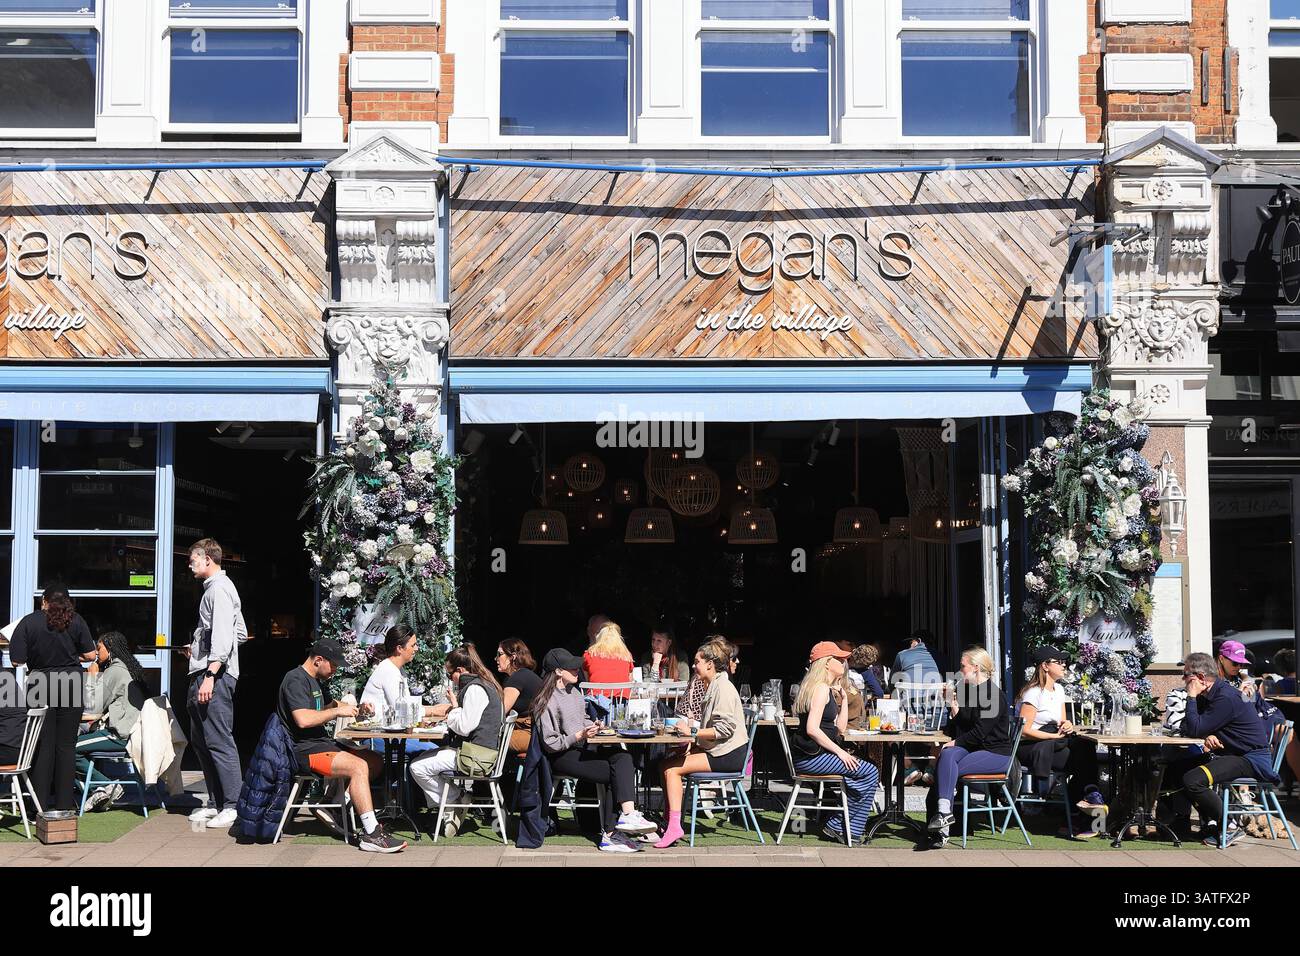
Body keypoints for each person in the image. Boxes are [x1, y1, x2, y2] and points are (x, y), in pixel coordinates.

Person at [277, 638, 405, 853]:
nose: (336, 670)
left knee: (373, 761)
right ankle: (372, 834)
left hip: (320, 744)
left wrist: (357, 707)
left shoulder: (315, 680)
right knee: (358, 767)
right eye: (334, 665)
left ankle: (333, 805)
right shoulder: (295, 679)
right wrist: (337, 712)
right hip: (303, 750)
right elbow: (303, 719)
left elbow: (331, 704)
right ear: (318, 660)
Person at [533, 648, 657, 852]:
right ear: (557, 671)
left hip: (580, 748)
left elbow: (582, 720)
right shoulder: (545, 700)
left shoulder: (574, 692)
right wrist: (579, 735)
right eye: (571, 666)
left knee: (622, 756)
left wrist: (595, 726)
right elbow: (550, 743)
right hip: (560, 756)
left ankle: (627, 815)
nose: (577, 669)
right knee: (613, 772)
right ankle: (610, 835)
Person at [1157, 652, 1280, 847]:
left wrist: (1190, 696)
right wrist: (1207, 735)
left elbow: (1195, 727)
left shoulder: (1225, 697)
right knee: (1176, 769)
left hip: (1249, 758)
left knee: (1192, 779)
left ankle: (1229, 826)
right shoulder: (1211, 694)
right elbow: (1191, 728)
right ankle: (1188, 823)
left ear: (1200, 678)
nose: (1183, 679)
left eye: (1186, 675)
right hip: (1231, 754)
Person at [8, 586, 95, 816]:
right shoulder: (75, 620)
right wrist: (69, 655)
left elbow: (17, 661)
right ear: (67, 601)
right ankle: (65, 805)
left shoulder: (28, 622)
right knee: (67, 746)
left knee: (42, 746)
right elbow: (91, 655)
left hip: (40, 682)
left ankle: (40, 806)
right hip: (71, 682)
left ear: (44, 601)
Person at [655, 640, 750, 848]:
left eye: (697, 661)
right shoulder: (713, 685)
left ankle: (674, 827)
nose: (693, 665)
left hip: (728, 754)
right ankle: (670, 820)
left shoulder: (723, 688)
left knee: (672, 770)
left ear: (710, 664)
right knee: (665, 764)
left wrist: (693, 732)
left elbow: (725, 729)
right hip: (719, 750)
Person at [787, 641, 880, 843]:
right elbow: (812, 728)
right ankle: (840, 826)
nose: (844, 662)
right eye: (839, 659)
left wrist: (844, 698)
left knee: (866, 772)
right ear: (827, 663)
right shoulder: (820, 689)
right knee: (870, 772)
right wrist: (841, 752)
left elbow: (839, 728)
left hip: (814, 754)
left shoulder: (824, 689)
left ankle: (843, 826)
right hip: (811, 757)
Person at [409, 644, 505, 837]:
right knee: (423, 757)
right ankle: (454, 802)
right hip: (479, 751)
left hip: (476, 757)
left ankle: (455, 799)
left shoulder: (475, 689)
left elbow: (464, 726)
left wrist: (453, 710)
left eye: (449, 674)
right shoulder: (484, 683)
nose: (450, 679)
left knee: (416, 767)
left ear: (460, 671)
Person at [184, 538, 248, 831]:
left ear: (208, 558)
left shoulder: (219, 589)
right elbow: (241, 633)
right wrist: (198, 645)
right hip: (207, 670)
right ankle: (218, 802)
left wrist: (211, 671)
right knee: (202, 740)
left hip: (213, 676)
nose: (190, 564)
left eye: (193, 559)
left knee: (218, 739)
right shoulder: (217, 589)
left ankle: (233, 805)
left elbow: (226, 635)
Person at [924, 646, 1014, 849]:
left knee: (946, 767)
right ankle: (945, 814)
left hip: (995, 753)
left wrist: (954, 742)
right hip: (976, 749)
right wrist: (951, 703)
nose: (960, 670)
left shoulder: (991, 694)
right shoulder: (974, 692)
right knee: (948, 756)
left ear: (975, 667)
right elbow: (964, 724)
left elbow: (979, 733)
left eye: (962, 666)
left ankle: (941, 827)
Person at [1016, 645, 1104, 832]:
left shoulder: (1059, 690)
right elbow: (1023, 730)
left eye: (1064, 662)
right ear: (1045, 666)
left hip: (1054, 741)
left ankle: (1086, 800)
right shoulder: (1033, 693)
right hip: (1033, 746)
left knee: (1085, 747)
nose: (1064, 665)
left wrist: (1068, 725)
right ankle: (1084, 806)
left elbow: (1063, 720)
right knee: (1080, 760)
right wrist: (1052, 735)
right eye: (1059, 662)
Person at [77, 631, 147, 812]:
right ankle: (100, 790)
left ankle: (105, 786)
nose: (96, 653)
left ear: (109, 649)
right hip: (133, 733)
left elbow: (92, 706)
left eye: (99, 648)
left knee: (68, 748)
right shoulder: (129, 667)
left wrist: (92, 677)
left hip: (119, 735)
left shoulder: (115, 671)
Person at [360, 625, 439, 758]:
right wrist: (433, 710)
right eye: (413, 645)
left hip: (391, 735)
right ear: (399, 648)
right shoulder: (388, 671)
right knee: (434, 752)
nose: (416, 649)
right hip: (378, 737)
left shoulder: (397, 670)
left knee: (432, 749)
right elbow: (404, 711)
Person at [495, 638, 541, 756]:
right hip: (533, 733)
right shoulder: (524, 675)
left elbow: (500, 712)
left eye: (499, 654)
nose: (496, 659)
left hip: (530, 735)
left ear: (513, 657)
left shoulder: (517, 678)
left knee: (485, 739)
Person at [583, 621, 635, 691]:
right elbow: (630, 682)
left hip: (596, 700)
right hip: (621, 700)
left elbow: (587, 681)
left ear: (599, 637)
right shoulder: (626, 655)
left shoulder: (589, 655)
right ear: (619, 639)